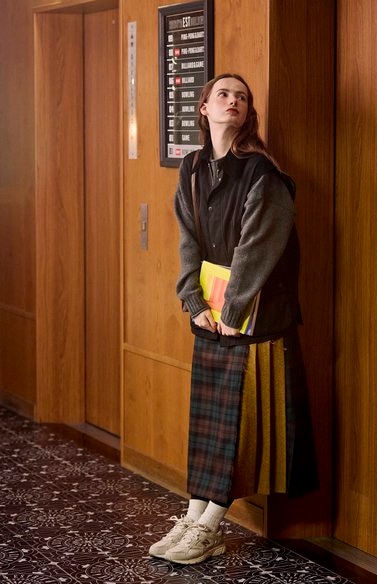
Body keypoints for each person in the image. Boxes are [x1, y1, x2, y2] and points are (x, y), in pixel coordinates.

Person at [149, 73, 318, 565]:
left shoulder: (261, 172)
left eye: (242, 97)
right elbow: (188, 239)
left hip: (256, 316)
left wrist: (234, 309)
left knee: (240, 424)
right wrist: (194, 302)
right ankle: (192, 516)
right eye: (223, 94)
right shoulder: (192, 167)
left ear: (248, 113)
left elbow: (257, 246)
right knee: (209, 427)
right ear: (204, 108)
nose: (233, 101)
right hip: (212, 313)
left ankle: (210, 527)